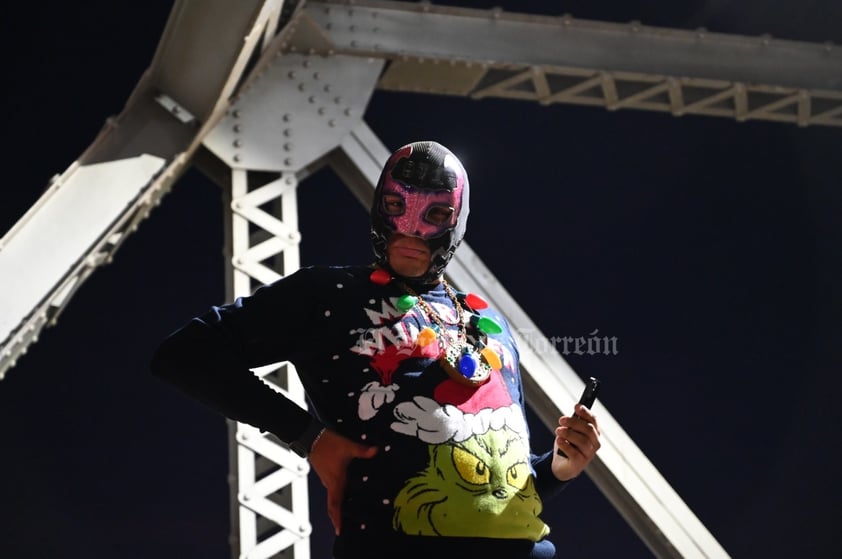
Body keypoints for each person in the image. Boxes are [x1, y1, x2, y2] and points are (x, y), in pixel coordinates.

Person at [150, 140, 601, 558]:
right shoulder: (328, 294)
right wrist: (311, 438)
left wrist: (560, 467)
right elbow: (186, 354)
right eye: (395, 205)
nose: (412, 227)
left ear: (458, 221)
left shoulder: (491, 326)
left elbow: (504, 485)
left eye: (437, 214)